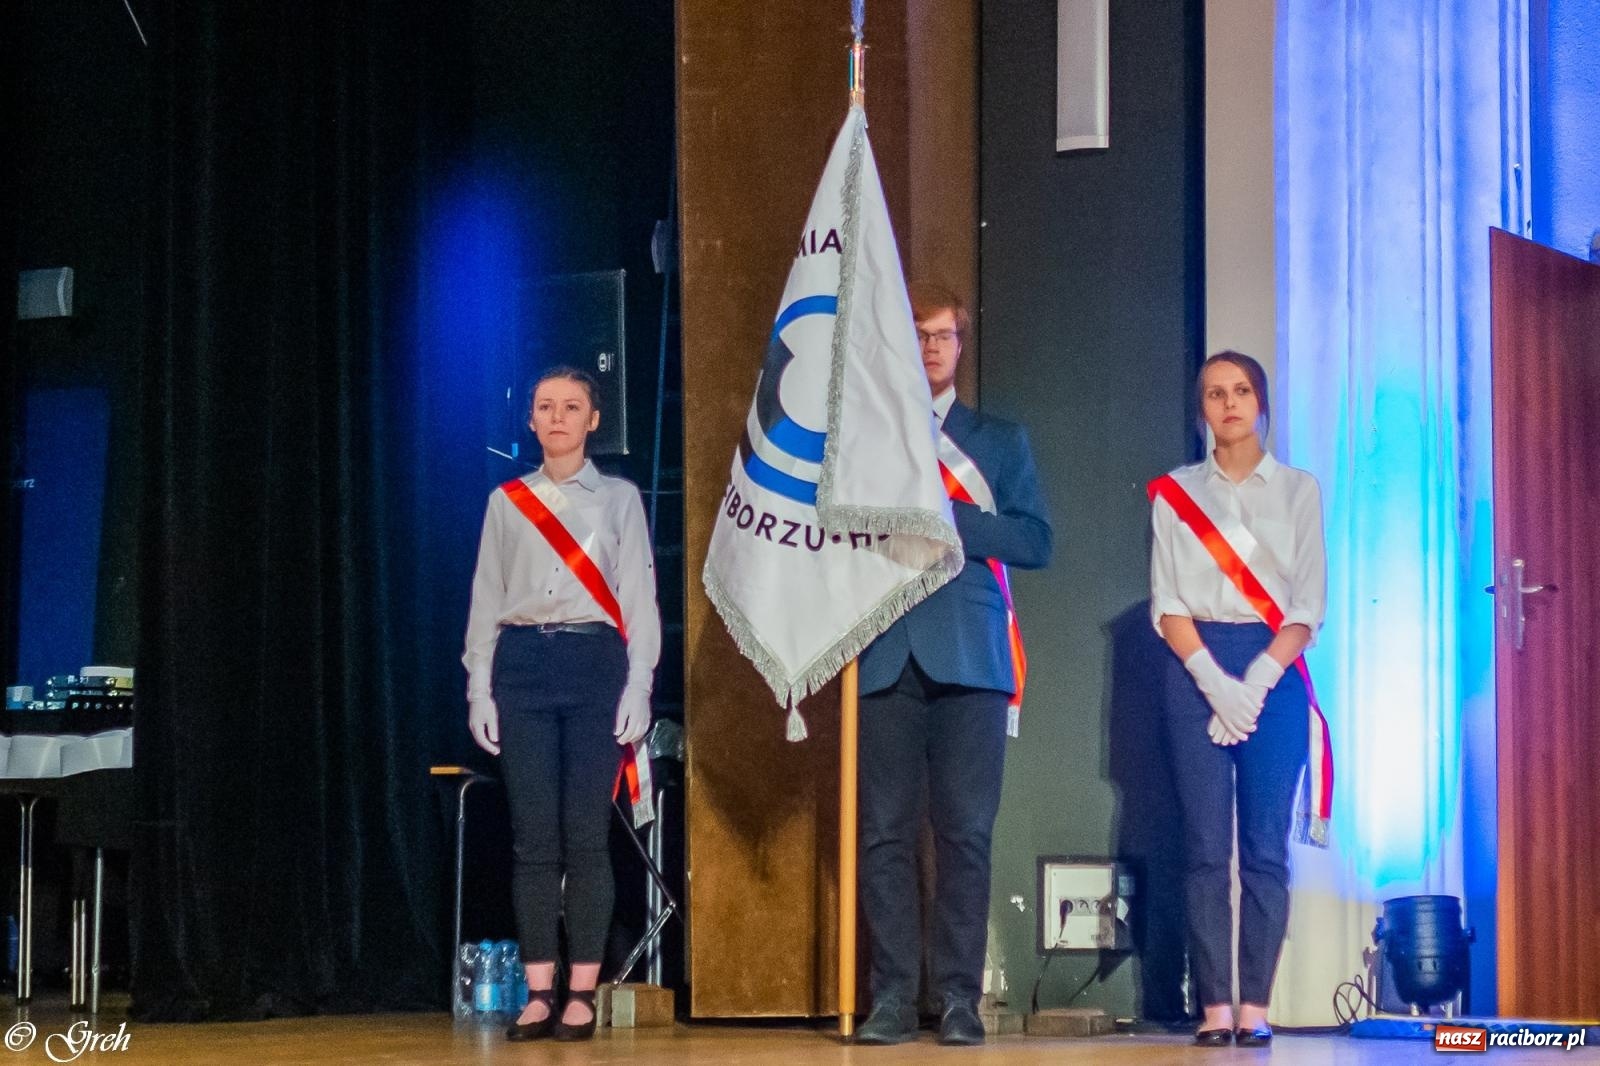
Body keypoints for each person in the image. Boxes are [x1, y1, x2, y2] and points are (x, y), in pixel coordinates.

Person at [853, 281, 1053, 1046]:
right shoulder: (870, 442)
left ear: (960, 347)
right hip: (885, 651)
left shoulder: (998, 441)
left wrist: (956, 521)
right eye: (917, 335)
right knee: (884, 836)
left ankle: (961, 998)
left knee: (966, 834)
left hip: (972, 657)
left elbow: (1036, 542)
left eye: (942, 336)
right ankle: (895, 998)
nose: (930, 348)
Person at [462, 365, 660, 1042]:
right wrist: (478, 687)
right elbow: (486, 599)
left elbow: (639, 597)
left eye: (570, 406)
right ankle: (538, 992)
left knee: (586, 836)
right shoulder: (506, 501)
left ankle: (582, 991)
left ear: (593, 419)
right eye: (545, 406)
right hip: (522, 666)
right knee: (532, 841)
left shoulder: (621, 500)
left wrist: (639, 684)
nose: (556, 417)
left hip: (593, 663)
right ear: (531, 418)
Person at [1148, 351, 1326, 1048]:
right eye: (1215, 393)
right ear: (1201, 411)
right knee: (1201, 846)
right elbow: (1167, 602)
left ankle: (1255, 1004)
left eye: (1241, 391)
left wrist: (1253, 683)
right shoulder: (1174, 495)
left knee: (1263, 848)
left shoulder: (1298, 491)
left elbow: (1308, 605)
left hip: (1273, 670)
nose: (1229, 404)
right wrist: (1214, 683)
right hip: (1193, 666)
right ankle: (1214, 1005)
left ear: (1261, 404)